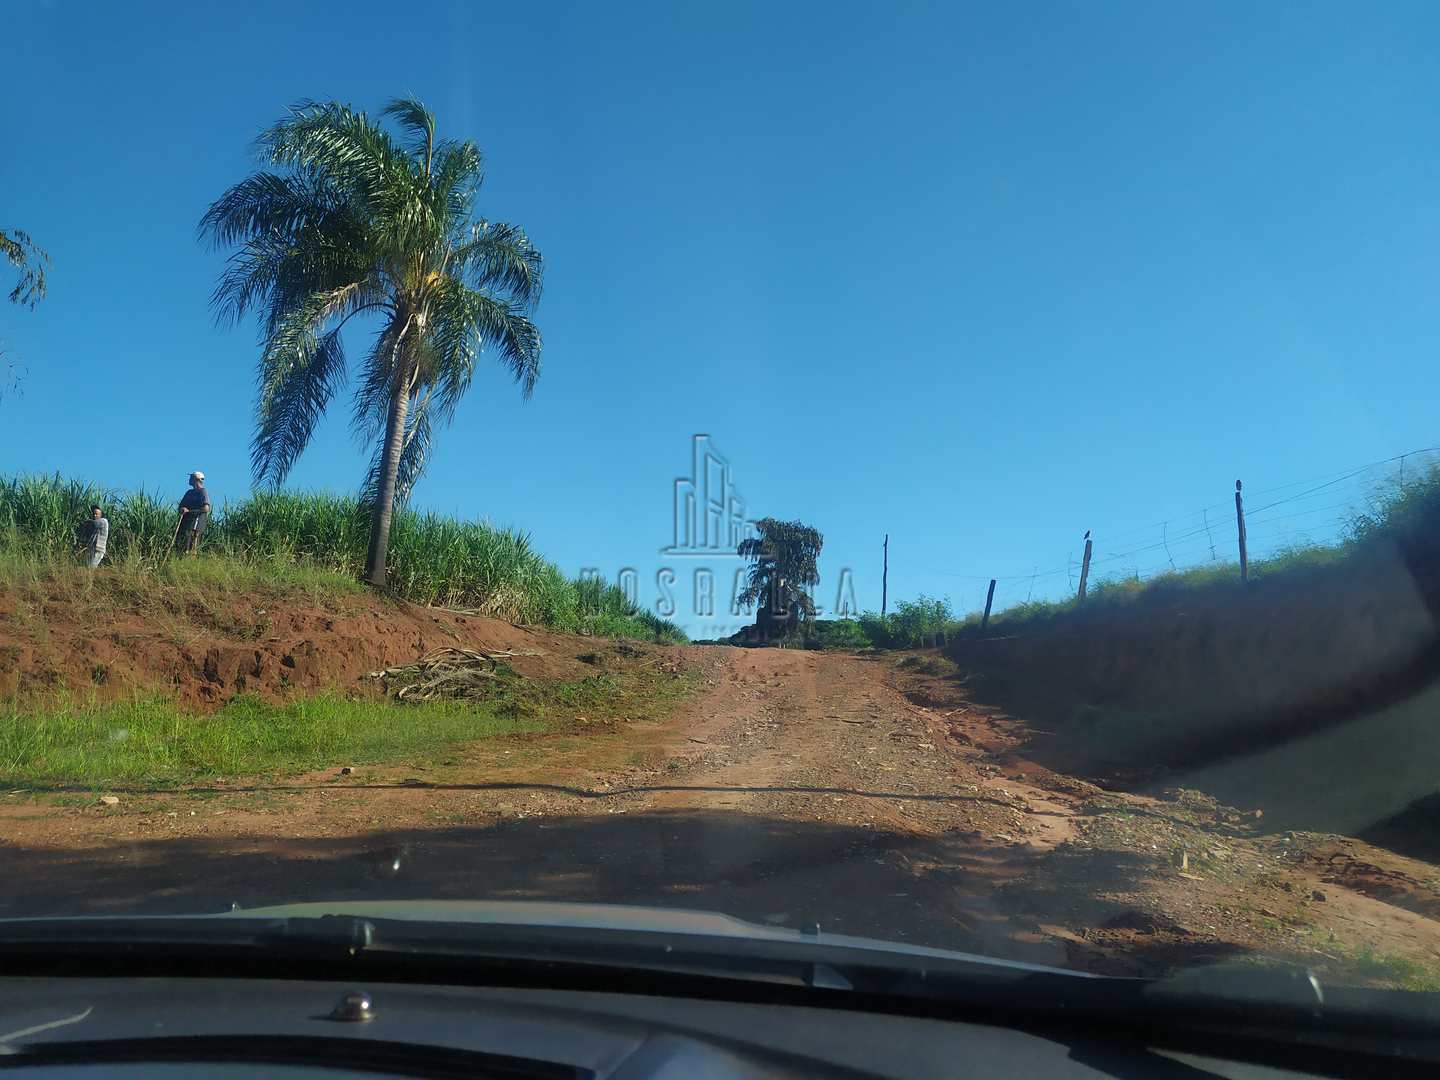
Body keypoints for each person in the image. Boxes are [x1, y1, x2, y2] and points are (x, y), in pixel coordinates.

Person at [175, 471, 210, 554]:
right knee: (182, 547)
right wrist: (182, 509)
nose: (189, 479)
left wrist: (189, 511)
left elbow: (206, 508)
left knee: (192, 549)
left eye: (191, 477)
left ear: (196, 479)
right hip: (185, 525)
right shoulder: (189, 493)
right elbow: (180, 507)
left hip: (196, 526)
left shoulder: (203, 492)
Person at [78, 504, 109, 569]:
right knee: (88, 567)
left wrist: (84, 522)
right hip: (93, 549)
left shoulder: (103, 521)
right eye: (94, 514)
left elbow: (93, 523)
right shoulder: (96, 527)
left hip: (99, 549)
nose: (94, 515)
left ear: (101, 515)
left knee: (91, 567)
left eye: (96, 514)